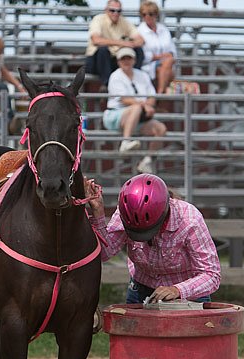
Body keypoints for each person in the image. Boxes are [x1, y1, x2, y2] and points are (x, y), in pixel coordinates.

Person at [85, 173, 220, 304]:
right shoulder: (126, 212)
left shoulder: (189, 220)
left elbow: (211, 274)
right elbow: (104, 254)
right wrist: (98, 213)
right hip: (141, 288)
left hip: (188, 297)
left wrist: (177, 290)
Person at [103, 47, 167, 174]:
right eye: (123, 59)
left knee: (161, 129)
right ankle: (125, 142)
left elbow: (152, 96)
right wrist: (145, 106)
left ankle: (147, 160)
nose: (126, 61)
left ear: (134, 60)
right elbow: (124, 100)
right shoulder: (115, 76)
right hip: (115, 115)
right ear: (118, 61)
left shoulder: (142, 75)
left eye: (129, 58)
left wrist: (147, 106)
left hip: (137, 117)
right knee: (136, 108)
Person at [85, 0, 145, 88]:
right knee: (103, 50)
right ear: (106, 10)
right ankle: (108, 86)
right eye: (112, 10)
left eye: (119, 11)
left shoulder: (124, 22)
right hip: (96, 61)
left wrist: (130, 44)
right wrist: (122, 43)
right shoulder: (98, 19)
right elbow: (96, 40)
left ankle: (133, 81)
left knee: (138, 50)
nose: (115, 13)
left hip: (114, 60)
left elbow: (141, 40)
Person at [137, 1, 177, 95]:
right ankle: (161, 94)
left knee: (167, 64)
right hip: (147, 67)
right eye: (144, 14)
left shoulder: (164, 30)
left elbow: (173, 52)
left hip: (165, 66)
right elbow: (142, 56)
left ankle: (159, 94)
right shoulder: (139, 31)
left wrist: (160, 57)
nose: (147, 17)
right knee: (168, 67)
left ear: (156, 15)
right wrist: (161, 57)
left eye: (150, 14)